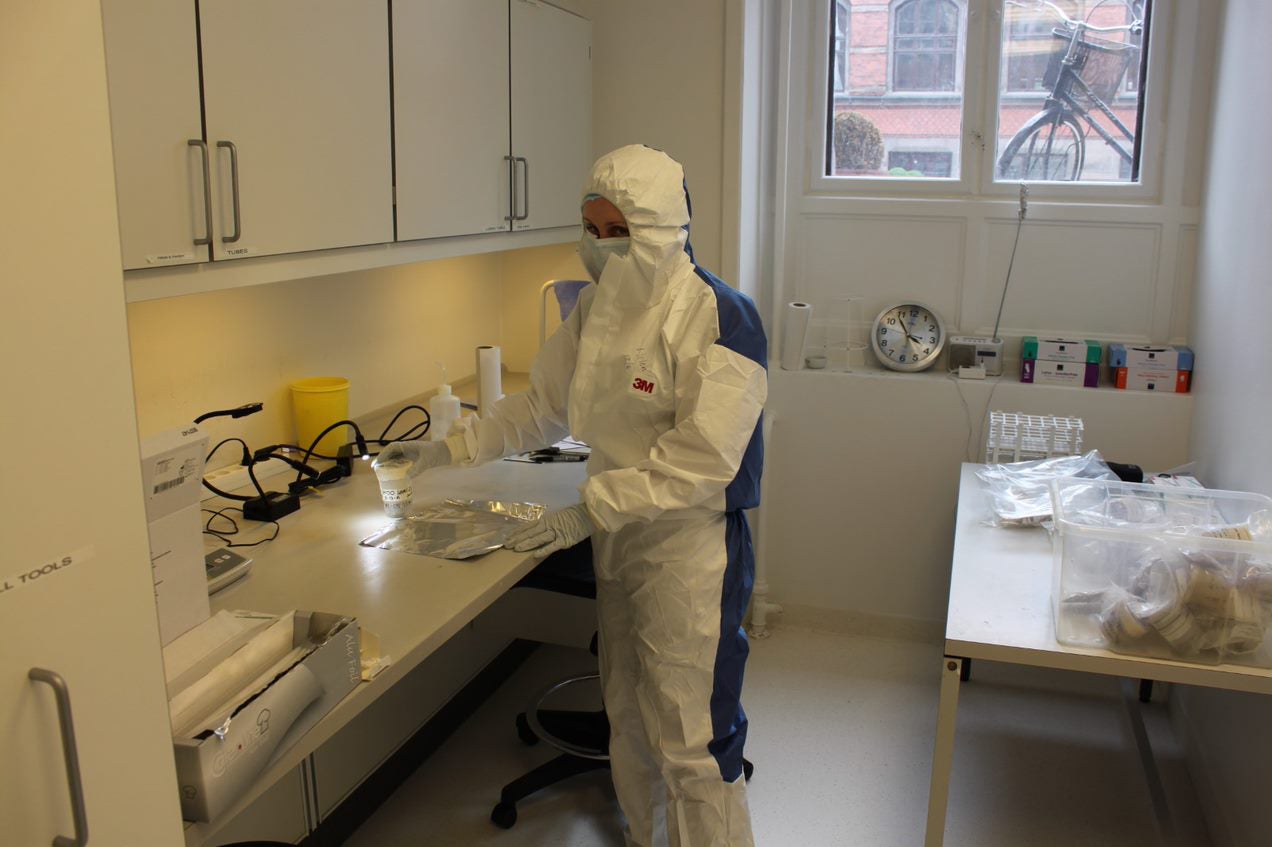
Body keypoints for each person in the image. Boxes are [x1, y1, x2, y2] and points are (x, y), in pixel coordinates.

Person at [379, 144, 767, 847]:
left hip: (690, 549)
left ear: (660, 229)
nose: (598, 245)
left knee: (693, 738)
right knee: (630, 713)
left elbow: (705, 459)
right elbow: (541, 408)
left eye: (615, 230)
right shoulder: (595, 309)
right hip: (620, 537)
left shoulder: (718, 316)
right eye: (590, 229)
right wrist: (449, 448)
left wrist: (591, 507)